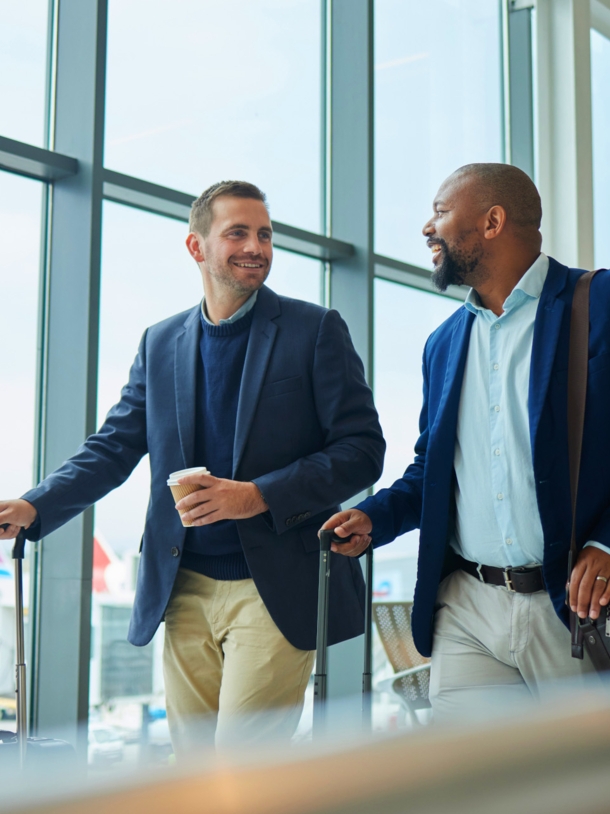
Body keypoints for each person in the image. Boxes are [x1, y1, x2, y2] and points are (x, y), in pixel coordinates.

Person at [0, 180, 385, 752]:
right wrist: (37, 505)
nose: (256, 246)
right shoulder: (160, 343)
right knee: (194, 773)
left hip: (275, 584)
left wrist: (256, 495)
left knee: (239, 770)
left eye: (264, 234)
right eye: (238, 233)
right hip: (183, 586)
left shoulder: (314, 329)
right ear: (196, 247)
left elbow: (362, 450)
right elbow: (113, 446)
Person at [323, 163, 610, 721]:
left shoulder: (599, 304)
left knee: (579, 797)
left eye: (440, 213)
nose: (427, 229)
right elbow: (432, 467)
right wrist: (373, 520)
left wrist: (607, 543)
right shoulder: (444, 343)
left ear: (492, 221)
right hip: (467, 608)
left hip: (571, 610)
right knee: (476, 796)